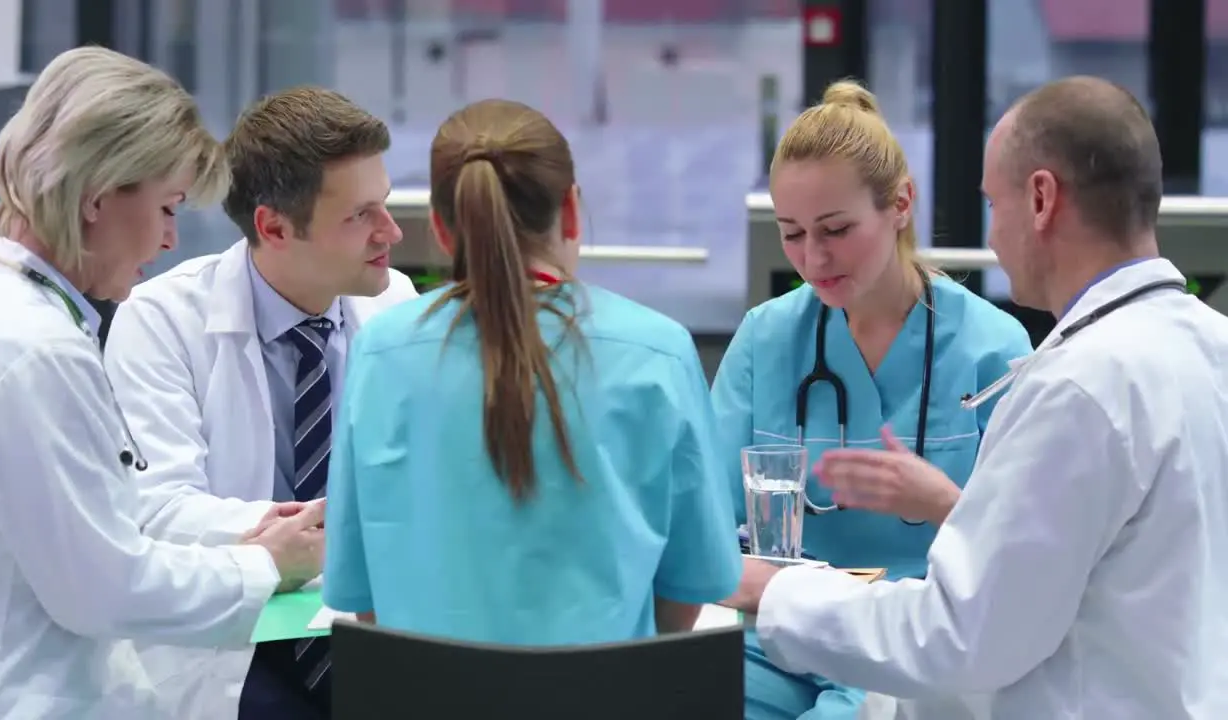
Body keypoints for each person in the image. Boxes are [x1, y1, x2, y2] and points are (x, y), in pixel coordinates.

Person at [724, 76, 1228, 719]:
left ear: (1040, 198)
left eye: (993, 204)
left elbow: (960, 637)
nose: (990, 237)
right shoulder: (1210, 347)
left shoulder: (1081, 386)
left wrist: (776, 591)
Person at [0, 46, 326, 719]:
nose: (170, 240)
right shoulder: (34, 352)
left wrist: (238, 537)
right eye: (169, 208)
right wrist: (266, 565)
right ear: (98, 197)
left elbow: (87, 532)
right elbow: (103, 587)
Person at [320, 98, 743, 645]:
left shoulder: (381, 353)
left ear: (443, 231)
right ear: (570, 210)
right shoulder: (657, 353)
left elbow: (362, 598)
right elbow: (693, 585)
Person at [711, 81, 1032, 718]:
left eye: (836, 229)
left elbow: (1021, 551)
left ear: (901, 204)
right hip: (778, 635)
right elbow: (704, 526)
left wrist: (942, 504)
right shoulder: (766, 340)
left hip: (913, 640)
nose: (814, 257)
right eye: (792, 234)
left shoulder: (991, 349)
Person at [102, 87, 418, 720]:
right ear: (274, 226)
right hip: (233, 637)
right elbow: (158, 507)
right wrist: (313, 531)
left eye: (383, 205)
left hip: (364, 622)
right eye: (361, 215)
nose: (392, 232)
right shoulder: (162, 320)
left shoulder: (396, 306)